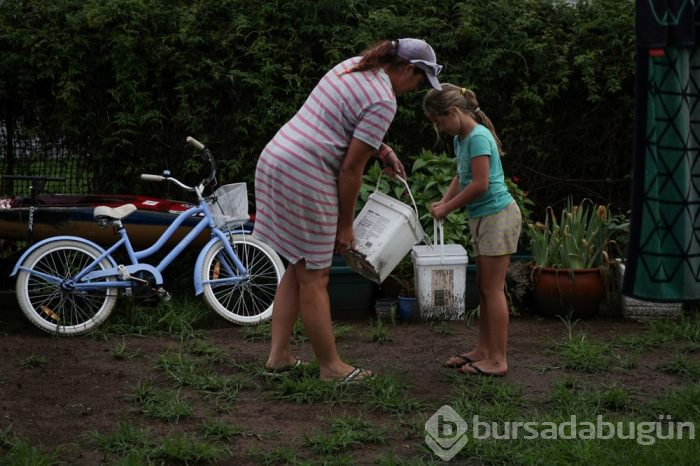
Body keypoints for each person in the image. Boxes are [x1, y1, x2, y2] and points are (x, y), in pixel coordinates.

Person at [254, 38, 443, 383]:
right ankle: (331, 367)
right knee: (315, 276)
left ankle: (279, 356)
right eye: (418, 81)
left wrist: (382, 150)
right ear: (406, 69)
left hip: (277, 158)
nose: (415, 89)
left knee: (299, 265)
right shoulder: (384, 100)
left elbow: (337, 124)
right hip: (305, 173)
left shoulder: (355, 66)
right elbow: (350, 170)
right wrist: (346, 226)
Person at [422, 84, 521, 377]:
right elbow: (462, 175)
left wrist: (447, 208)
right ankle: (482, 350)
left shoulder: (478, 137)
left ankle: (498, 360)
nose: (441, 128)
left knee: (493, 289)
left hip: (497, 217)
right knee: (484, 288)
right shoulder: (461, 140)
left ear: (453, 112)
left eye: (440, 122)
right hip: (484, 218)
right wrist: (444, 200)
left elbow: (481, 184)